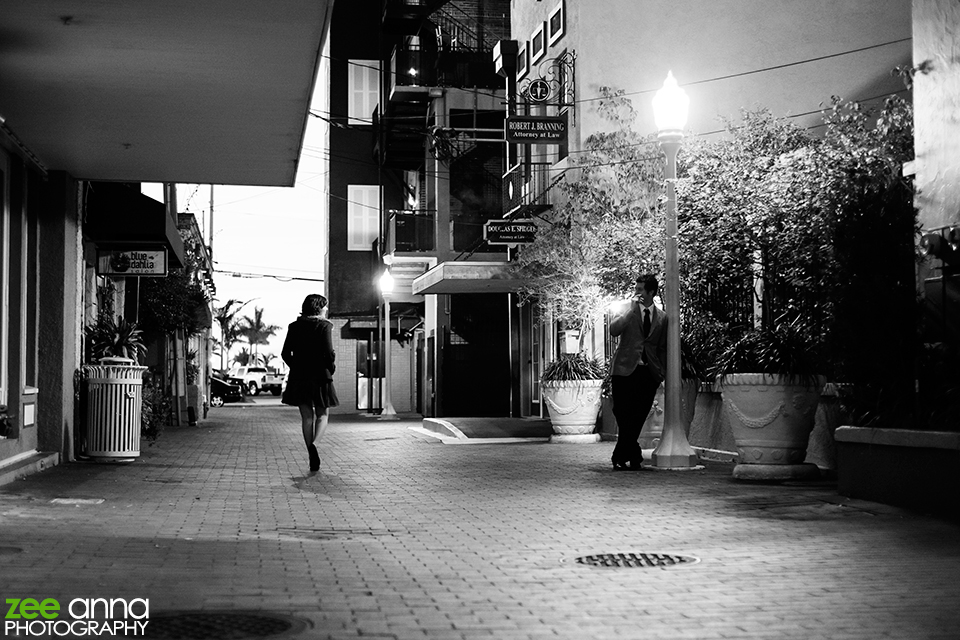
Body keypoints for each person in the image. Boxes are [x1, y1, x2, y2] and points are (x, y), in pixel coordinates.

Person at [609, 274, 668, 470]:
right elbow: (614, 330)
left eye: (641, 290)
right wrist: (631, 311)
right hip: (624, 369)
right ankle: (632, 453)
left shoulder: (662, 317)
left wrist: (661, 372)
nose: (637, 293)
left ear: (651, 292)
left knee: (639, 415)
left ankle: (623, 456)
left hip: (647, 372)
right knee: (621, 412)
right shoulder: (627, 310)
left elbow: (661, 347)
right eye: (636, 289)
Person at [281, 294, 339, 472]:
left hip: (299, 378)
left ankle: (310, 453)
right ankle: (315, 444)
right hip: (321, 376)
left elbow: (285, 353)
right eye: (325, 306)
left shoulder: (294, 327)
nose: (327, 310)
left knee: (307, 417)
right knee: (323, 415)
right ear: (319, 307)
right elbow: (328, 353)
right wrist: (330, 368)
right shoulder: (324, 326)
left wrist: (297, 367)